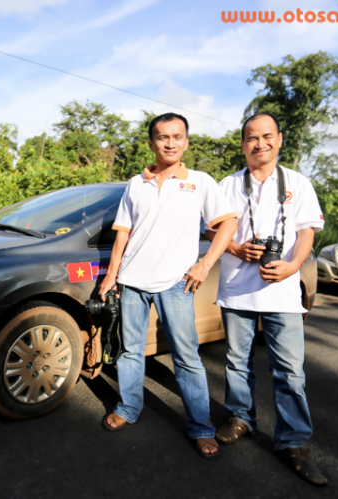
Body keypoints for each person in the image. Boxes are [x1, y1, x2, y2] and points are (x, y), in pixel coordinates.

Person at [98, 112, 237, 460]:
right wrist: (112, 274)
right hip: (132, 282)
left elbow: (228, 224)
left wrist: (205, 265)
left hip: (176, 283)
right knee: (130, 352)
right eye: (163, 137)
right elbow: (124, 232)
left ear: (186, 141)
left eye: (177, 136)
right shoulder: (136, 183)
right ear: (152, 143)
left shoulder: (201, 181)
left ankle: (201, 427)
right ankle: (128, 408)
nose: (170, 143)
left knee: (186, 358)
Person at [208, 113, 328, 485]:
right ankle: (241, 418)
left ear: (279, 139)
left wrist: (293, 265)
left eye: (266, 136)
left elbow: (307, 230)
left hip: (283, 293)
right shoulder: (227, 185)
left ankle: (293, 442)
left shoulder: (297, 183)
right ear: (242, 144)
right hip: (236, 288)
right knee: (236, 363)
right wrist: (236, 247)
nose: (259, 144)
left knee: (289, 371)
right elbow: (213, 230)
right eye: (250, 138)